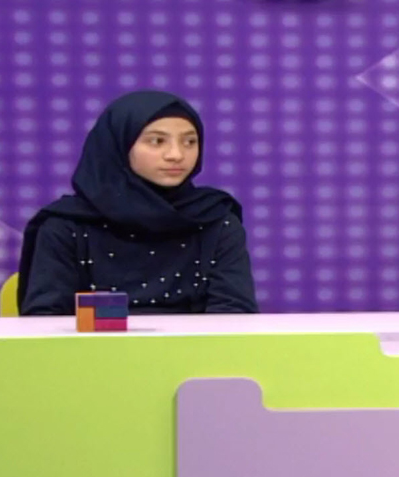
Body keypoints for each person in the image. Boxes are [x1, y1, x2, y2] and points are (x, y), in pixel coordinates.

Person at [17, 90, 259, 315]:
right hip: (90, 348)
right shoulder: (66, 226)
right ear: (120, 145)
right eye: (157, 141)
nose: (176, 155)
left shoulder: (215, 219)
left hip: (200, 349)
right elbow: (46, 321)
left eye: (189, 142)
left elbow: (234, 316)